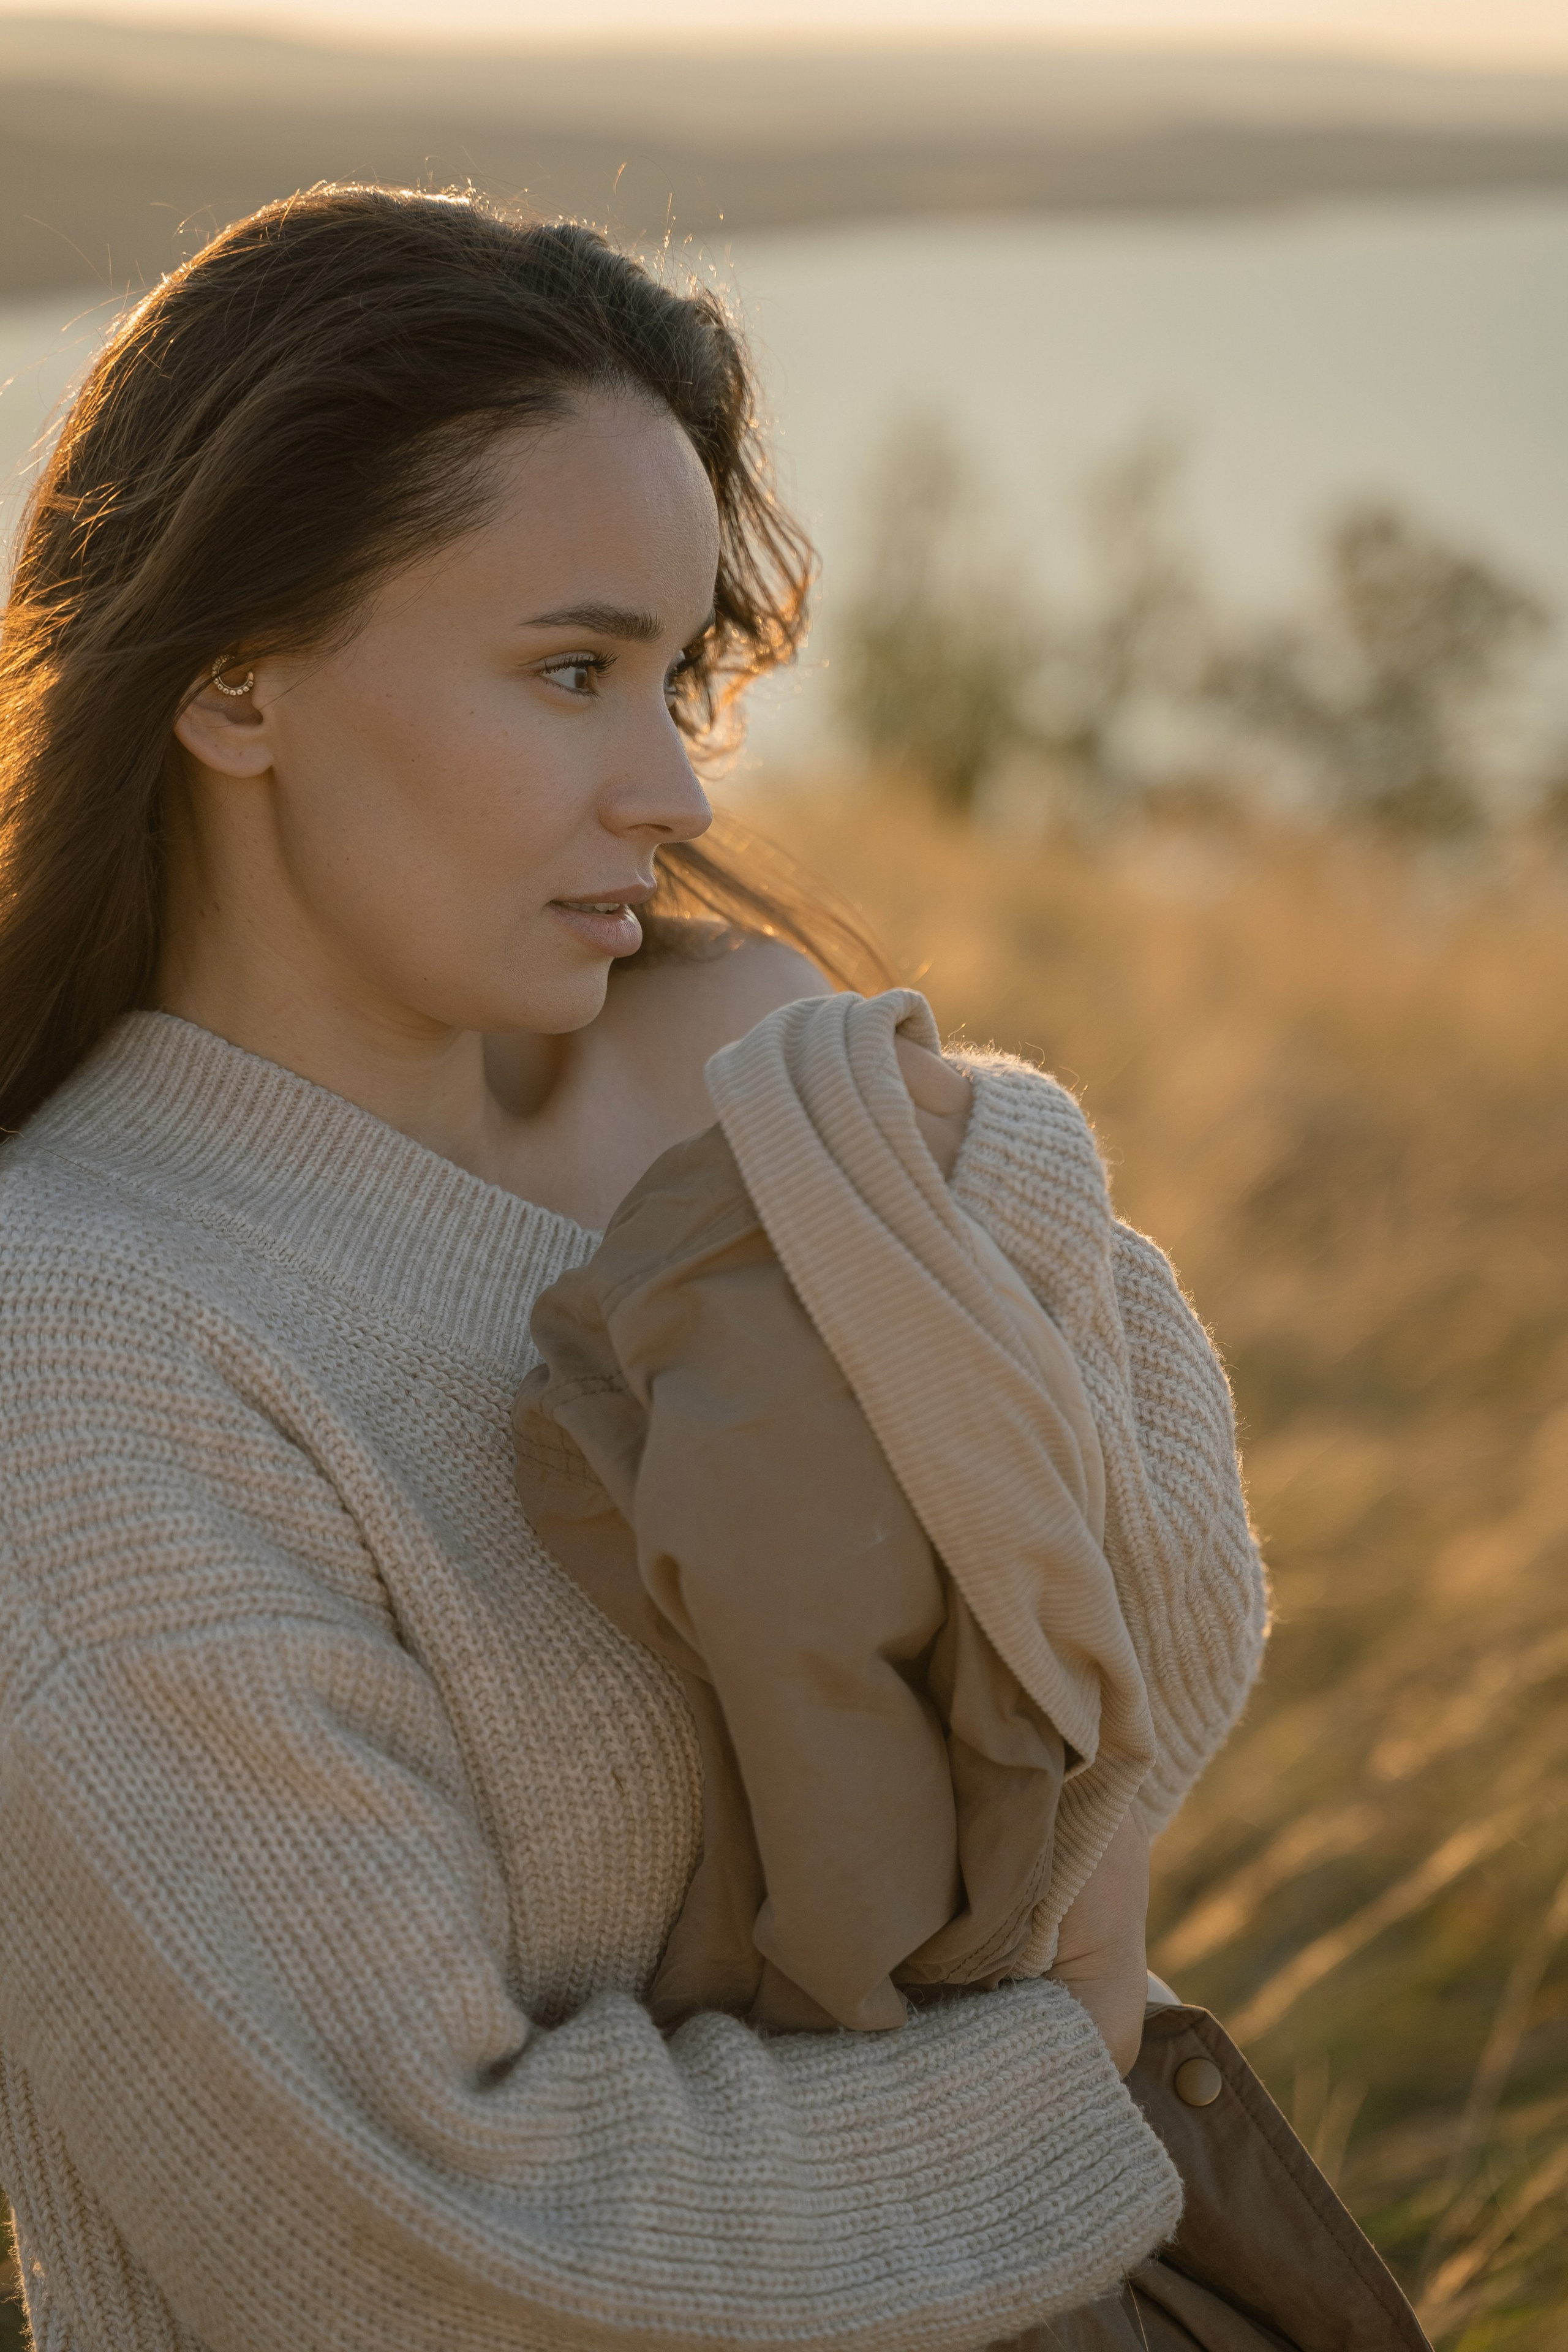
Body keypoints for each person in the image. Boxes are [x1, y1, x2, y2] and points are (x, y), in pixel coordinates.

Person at [0, 186, 1265, 2352]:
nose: (673, 786)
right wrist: (1081, 2094)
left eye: (677, 675)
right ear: (230, 678)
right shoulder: (81, 1345)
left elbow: (1172, 1629)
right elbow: (400, 2247)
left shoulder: (750, 1119)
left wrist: (951, 1158)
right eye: (569, 670)